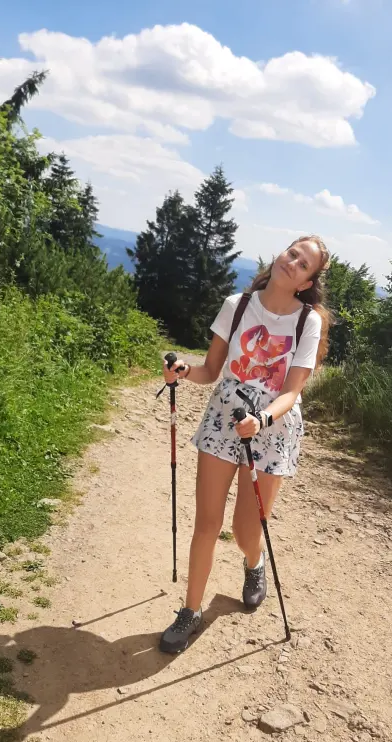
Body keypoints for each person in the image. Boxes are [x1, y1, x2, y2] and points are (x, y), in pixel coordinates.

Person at [158, 235, 332, 654]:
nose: (293, 262)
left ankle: (255, 563)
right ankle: (190, 611)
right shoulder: (237, 305)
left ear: (307, 282)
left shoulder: (307, 322)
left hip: (272, 428)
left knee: (244, 530)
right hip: (224, 418)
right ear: (279, 255)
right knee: (207, 523)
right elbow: (210, 370)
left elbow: (292, 391)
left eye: (303, 264)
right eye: (292, 253)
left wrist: (263, 419)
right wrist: (183, 372)